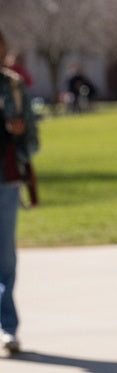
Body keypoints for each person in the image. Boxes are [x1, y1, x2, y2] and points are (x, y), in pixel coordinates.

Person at [0, 27, 40, 355]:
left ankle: (7, 328)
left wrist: (20, 135)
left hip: (6, 181)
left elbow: (33, 141)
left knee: (5, 258)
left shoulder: (14, 87)